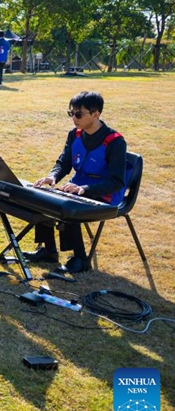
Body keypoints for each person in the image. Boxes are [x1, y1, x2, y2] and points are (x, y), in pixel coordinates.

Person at [25, 91, 128, 274]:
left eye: (78, 114)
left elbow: (116, 181)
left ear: (96, 114)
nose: (74, 118)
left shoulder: (115, 142)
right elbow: (63, 163)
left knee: (68, 209)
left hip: (103, 195)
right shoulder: (75, 134)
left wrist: (85, 189)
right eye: (71, 113)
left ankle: (80, 259)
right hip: (75, 190)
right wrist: (53, 177)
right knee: (42, 198)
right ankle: (49, 250)